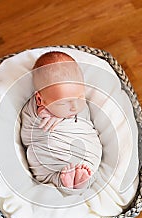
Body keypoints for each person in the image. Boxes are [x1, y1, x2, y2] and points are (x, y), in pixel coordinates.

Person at [20, 51, 102, 195]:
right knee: (36, 155)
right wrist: (39, 119)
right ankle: (62, 180)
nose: (75, 107)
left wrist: (63, 118)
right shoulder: (31, 111)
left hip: (83, 147)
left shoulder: (80, 108)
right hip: (51, 157)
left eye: (80, 97)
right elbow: (27, 138)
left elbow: (85, 123)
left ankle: (83, 179)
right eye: (63, 104)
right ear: (40, 100)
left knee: (89, 160)